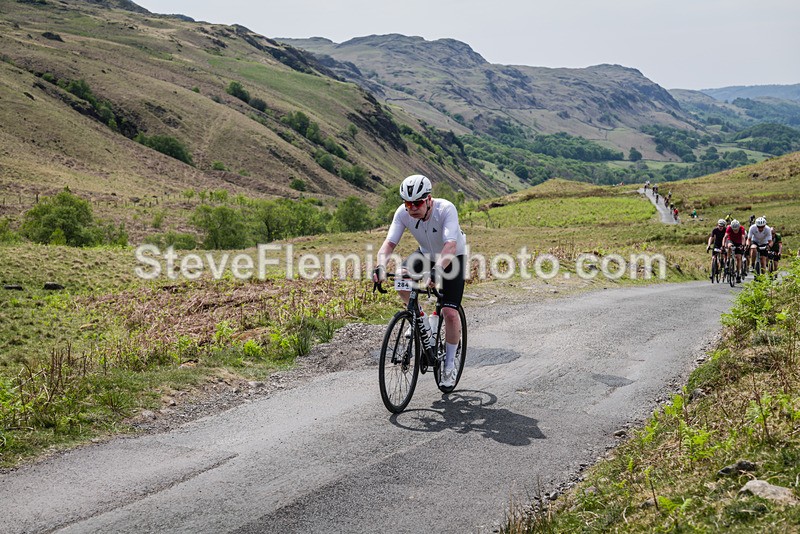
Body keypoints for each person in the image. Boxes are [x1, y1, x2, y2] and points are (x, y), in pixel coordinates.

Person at [373, 174, 467, 388]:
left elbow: (450, 245)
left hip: (453, 256)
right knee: (400, 276)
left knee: (450, 312)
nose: (412, 207)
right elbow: (388, 244)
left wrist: (436, 271)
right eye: (408, 203)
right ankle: (420, 317)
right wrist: (379, 266)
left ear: (429, 200)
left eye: (417, 202)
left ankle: (450, 366)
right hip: (425, 254)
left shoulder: (446, 209)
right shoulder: (403, 213)